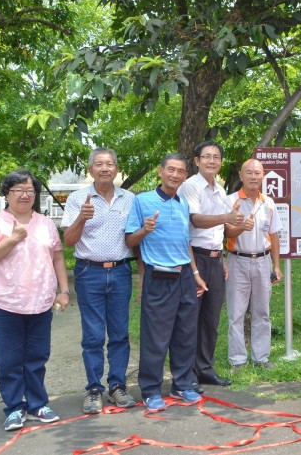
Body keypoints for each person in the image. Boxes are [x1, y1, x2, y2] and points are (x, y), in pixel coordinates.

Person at [0, 170, 69, 431]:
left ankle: (38, 405)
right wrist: (14, 239)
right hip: (3, 304)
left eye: (30, 190)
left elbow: (58, 257)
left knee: (37, 358)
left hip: (40, 303)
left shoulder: (46, 224)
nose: (25, 195)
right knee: (9, 361)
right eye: (18, 190)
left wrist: (63, 290)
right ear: (7, 193)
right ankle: (15, 407)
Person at [125, 154, 207, 412]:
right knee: (156, 337)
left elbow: (186, 243)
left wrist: (194, 273)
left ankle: (182, 384)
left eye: (180, 171)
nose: (175, 175)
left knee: (185, 334)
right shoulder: (142, 201)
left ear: (185, 175)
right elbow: (130, 241)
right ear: (161, 171)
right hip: (158, 275)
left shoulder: (183, 203)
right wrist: (145, 230)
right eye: (170, 170)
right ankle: (150, 390)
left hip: (184, 275)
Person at [61, 148, 137, 414]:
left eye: (110, 164)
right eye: (99, 164)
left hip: (120, 271)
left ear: (117, 169)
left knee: (119, 333)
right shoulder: (77, 198)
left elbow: (133, 238)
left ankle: (118, 386)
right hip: (88, 272)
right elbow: (69, 241)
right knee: (93, 335)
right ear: (91, 169)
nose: (105, 168)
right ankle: (94, 389)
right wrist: (82, 216)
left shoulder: (129, 199)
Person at [178, 141, 244, 390]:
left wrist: (240, 225)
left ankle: (205, 369)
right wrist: (227, 217)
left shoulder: (220, 189)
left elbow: (223, 229)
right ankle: (187, 374)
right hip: (195, 257)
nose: (212, 161)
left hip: (215, 259)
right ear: (196, 161)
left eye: (216, 157)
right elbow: (195, 220)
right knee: (190, 318)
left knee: (211, 319)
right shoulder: (190, 186)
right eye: (206, 156)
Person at [225, 159, 282, 371]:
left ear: (263, 176)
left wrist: (276, 266)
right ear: (241, 175)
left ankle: (261, 358)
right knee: (236, 314)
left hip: (263, 261)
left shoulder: (269, 203)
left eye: (257, 173)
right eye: (249, 172)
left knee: (262, 313)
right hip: (237, 259)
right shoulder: (231, 200)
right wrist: (240, 227)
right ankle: (238, 360)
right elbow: (225, 233)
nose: (253, 177)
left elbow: (274, 235)